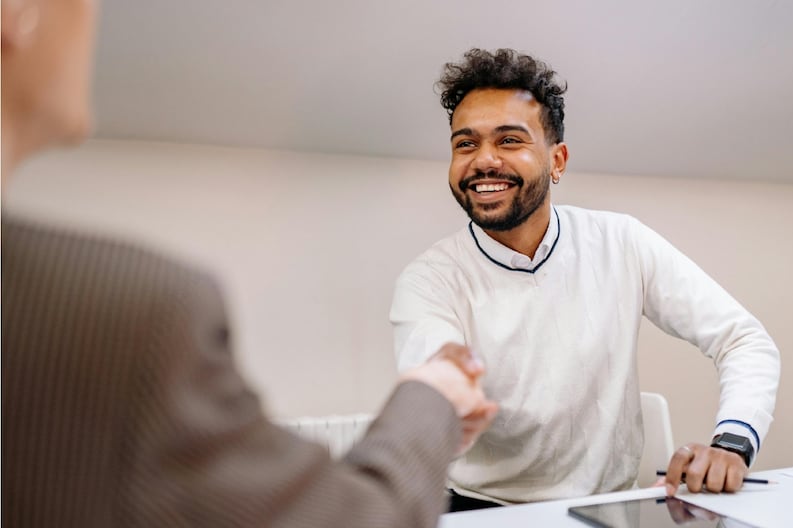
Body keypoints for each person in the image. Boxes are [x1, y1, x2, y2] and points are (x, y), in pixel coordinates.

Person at [1, 1, 498, 526]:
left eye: (509, 139)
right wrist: (434, 396)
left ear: (558, 159)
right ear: (15, 12)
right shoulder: (134, 318)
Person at [390, 48, 781, 508]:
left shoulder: (621, 240)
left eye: (510, 140)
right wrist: (444, 398)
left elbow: (743, 339)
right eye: (466, 144)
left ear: (557, 161)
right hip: (478, 509)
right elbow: (434, 390)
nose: (483, 161)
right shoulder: (429, 279)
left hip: (611, 508)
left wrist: (732, 443)